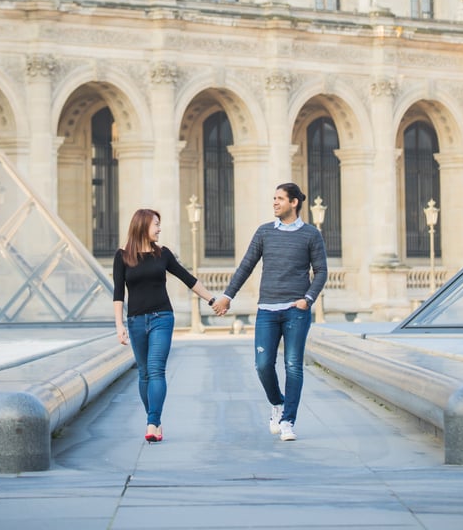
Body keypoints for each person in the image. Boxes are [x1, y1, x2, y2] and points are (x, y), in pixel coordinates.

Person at [212, 183, 327, 442]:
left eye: (280, 199)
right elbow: (246, 266)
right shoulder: (264, 232)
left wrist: (308, 299)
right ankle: (277, 403)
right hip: (267, 310)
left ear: (294, 202)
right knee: (263, 365)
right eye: (273, 198)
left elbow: (321, 271)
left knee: (293, 365)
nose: (274, 203)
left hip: (296, 310)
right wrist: (228, 296)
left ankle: (288, 420)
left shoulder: (310, 234)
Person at [113, 208, 216, 442]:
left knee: (156, 368)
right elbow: (118, 294)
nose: (159, 229)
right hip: (136, 320)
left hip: (162, 317)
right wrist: (119, 325)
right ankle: (156, 421)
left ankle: (151, 423)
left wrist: (211, 299)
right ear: (142, 226)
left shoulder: (163, 254)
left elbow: (188, 279)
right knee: (144, 373)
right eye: (156, 224)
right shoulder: (122, 256)